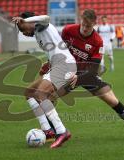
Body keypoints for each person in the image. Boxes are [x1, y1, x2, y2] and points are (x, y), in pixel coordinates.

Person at [24, 9, 124, 144]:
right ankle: (53, 132)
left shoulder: (97, 41)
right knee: (47, 97)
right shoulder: (68, 30)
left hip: (86, 75)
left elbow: (93, 69)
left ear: (94, 24)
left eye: (88, 26)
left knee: (113, 101)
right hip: (67, 72)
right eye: (83, 24)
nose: (84, 28)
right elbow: (58, 51)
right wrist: (49, 63)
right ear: (80, 20)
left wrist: (80, 78)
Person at [12, 12, 77, 148]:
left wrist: (25, 19)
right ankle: (47, 130)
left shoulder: (43, 26)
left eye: (23, 29)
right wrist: (48, 64)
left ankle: (61, 131)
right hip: (57, 66)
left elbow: (45, 17)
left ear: (29, 22)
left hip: (65, 65)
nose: (23, 33)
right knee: (29, 92)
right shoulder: (37, 33)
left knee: (41, 94)